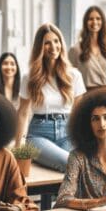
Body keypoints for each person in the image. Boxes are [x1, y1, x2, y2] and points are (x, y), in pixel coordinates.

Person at [16, 23, 86, 172]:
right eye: (47, 43)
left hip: (68, 132)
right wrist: (17, 148)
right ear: (39, 47)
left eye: (56, 41)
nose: (53, 46)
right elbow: (22, 113)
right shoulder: (29, 78)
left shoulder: (74, 75)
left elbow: (79, 113)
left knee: (85, 164)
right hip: (38, 134)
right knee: (70, 163)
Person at [68, 6, 106, 90]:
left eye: (98, 18)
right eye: (90, 19)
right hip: (87, 97)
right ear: (85, 22)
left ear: (103, 22)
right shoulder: (75, 49)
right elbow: (69, 78)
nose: (94, 22)